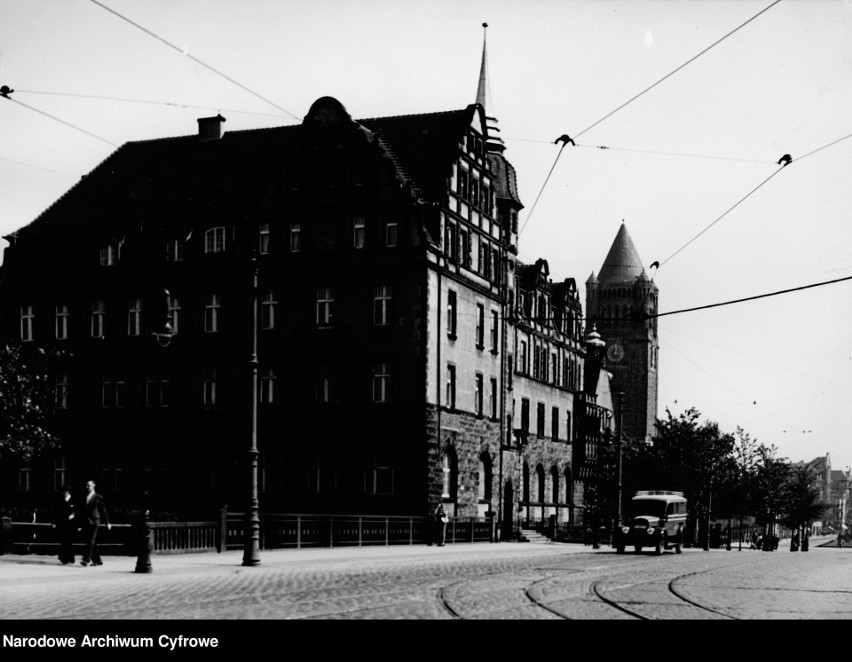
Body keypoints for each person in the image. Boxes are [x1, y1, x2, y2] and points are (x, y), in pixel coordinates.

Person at [80, 480, 110, 566]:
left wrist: (107, 522)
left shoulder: (98, 497)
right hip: (87, 521)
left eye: (88, 485)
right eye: (86, 485)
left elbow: (103, 510)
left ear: (93, 486)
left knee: (90, 539)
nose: (87, 487)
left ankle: (86, 559)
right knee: (92, 540)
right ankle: (97, 560)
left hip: (95, 521)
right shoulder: (85, 496)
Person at [52, 485, 76, 564]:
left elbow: (77, 512)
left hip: (71, 524)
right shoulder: (60, 500)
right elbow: (56, 512)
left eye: (65, 491)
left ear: (68, 492)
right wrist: (54, 522)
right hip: (62, 523)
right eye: (63, 491)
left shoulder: (73, 500)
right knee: (64, 540)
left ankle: (69, 557)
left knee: (68, 540)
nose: (64, 493)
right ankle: (66, 557)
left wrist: (73, 517)